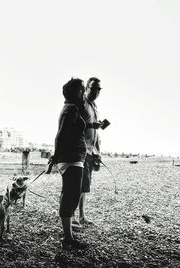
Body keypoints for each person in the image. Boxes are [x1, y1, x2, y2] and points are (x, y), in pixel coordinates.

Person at [46, 78, 88, 250]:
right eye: (82, 89)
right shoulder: (70, 108)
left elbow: (71, 130)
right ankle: (67, 238)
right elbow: (61, 134)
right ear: (76, 92)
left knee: (71, 194)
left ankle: (68, 233)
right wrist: (55, 156)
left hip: (74, 158)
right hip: (70, 158)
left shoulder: (73, 108)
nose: (84, 93)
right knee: (70, 195)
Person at [72, 77, 102, 228]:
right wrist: (92, 125)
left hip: (90, 150)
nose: (97, 92)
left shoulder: (94, 106)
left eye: (99, 89)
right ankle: (72, 217)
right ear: (87, 88)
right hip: (81, 149)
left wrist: (97, 150)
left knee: (84, 186)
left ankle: (82, 216)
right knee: (77, 185)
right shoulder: (81, 103)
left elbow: (95, 133)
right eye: (94, 88)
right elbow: (76, 125)